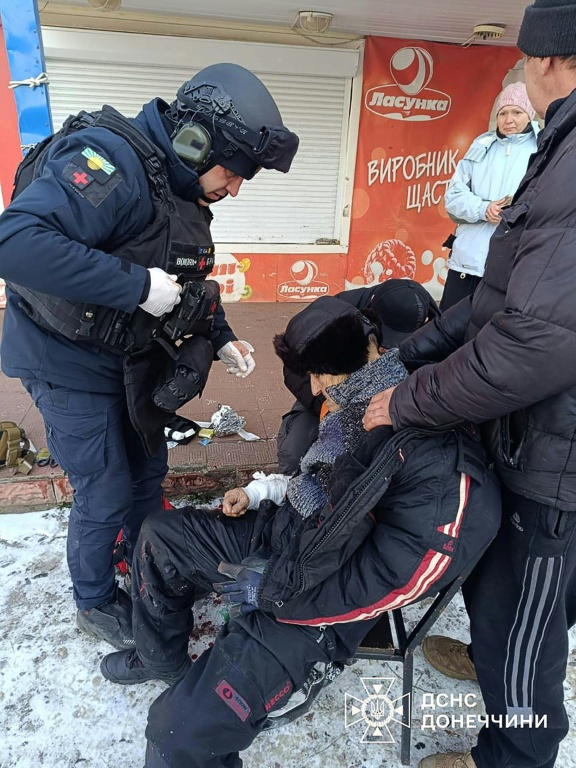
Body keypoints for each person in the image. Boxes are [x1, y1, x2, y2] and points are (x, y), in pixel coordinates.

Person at [98, 296, 501, 768]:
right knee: (160, 536)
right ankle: (161, 659)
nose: (314, 389)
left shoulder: (437, 464)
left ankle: (227, 689)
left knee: (177, 737)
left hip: (317, 606)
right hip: (284, 538)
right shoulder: (356, 400)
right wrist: (260, 491)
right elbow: (316, 480)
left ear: (364, 352)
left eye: (321, 377)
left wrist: (273, 594)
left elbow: (399, 580)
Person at [0, 63, 299, 651]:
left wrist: (221, 336)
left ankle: (150, 569)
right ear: (196, 140)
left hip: (129, 363)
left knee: (147, 476)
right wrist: (134, 285)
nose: (237, 188)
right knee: (105, 489)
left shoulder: (179, 186)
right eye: (235, 172)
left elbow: (185, 280)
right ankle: (92, 601)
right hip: (63, 363)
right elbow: (15, 243)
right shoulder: (110, 163)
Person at [363, 2, 576, 765]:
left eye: (521, 63)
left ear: (547, 62)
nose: (519, 77)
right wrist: (400, 360)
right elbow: (493, 305)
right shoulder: (558, 148)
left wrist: (404, 399)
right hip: (531, 435)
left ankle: (512, 752)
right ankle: (490, 658)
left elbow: (531, 344)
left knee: (528, 627)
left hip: (559, 463)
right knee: (504, 595)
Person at [277, 278, 440, 474]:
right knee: (294, 450)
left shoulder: (439, 328)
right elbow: (294, 370)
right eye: (385, 341)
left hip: (389, 398)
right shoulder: (334, 311)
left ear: (424, 323)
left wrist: (405, 401)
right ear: (369, 312)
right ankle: (286, 483)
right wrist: (327, 405)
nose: (387, 349)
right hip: (328, 394)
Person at [439, 81, 539, 311]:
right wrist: (483, 209)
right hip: (466, 262)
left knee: (492, 335)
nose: (508, 119)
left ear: (530, 113)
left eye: (517, 112)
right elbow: (453, 197)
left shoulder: (542, 147)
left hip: (511, 265)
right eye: (503, 113)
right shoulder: (480, 144)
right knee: (448, 331)